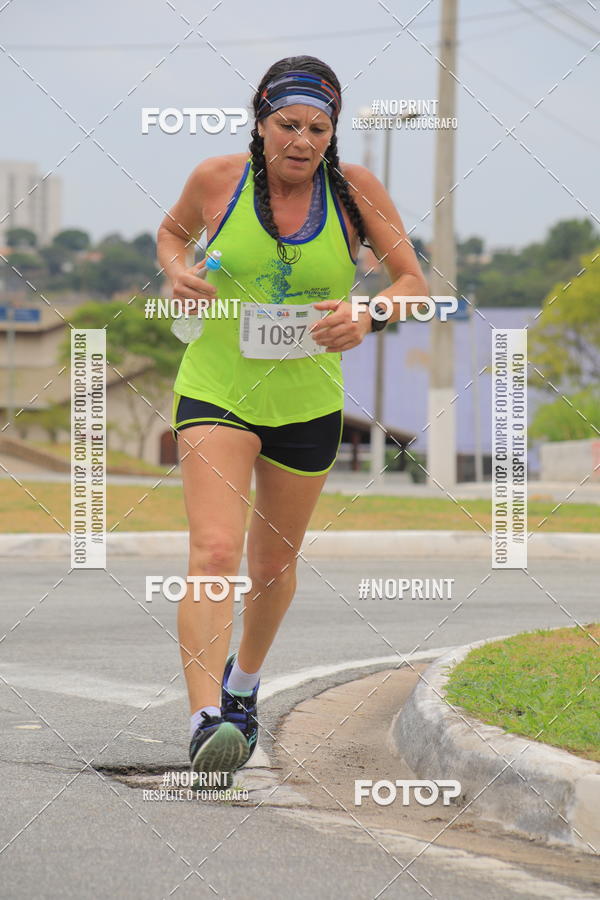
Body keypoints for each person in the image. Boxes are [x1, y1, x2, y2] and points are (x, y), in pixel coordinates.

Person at [156, 55, 428, 782]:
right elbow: (171, 235)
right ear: (261, 121)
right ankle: (205, 720)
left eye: (318, 128)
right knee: (215, 551)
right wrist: (177, 270)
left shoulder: (355, 192)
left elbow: (413, 281)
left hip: (307, 404)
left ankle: (243, 685)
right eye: (288, 125)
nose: (302, 141)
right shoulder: (217, 180)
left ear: (332, 133)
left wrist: (369, 312)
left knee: (273, 566)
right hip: (217, 390)